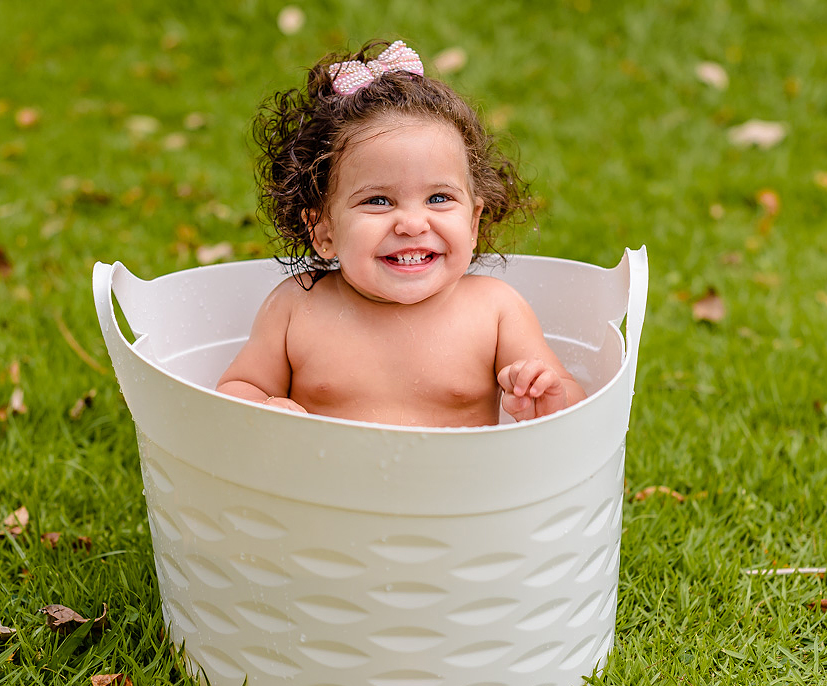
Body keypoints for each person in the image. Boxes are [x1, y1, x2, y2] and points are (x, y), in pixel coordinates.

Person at [217, 40, 585, 427]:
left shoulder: (496, 311)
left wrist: (546, 396)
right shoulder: (296, 308)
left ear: (473, 223)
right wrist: (264, 407)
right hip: (322, 487)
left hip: (459, 487)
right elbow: (239, 386)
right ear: (323, 230)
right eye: (378, 201)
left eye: (439, 198)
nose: (412, 224)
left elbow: (572, 398)